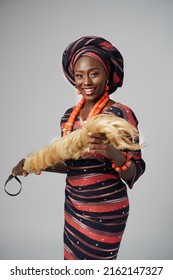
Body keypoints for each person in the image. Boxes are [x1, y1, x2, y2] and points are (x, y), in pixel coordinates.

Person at [12, 36, 146, 260]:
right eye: (79, 75)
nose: (86, 81)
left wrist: (111, 153)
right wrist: (34, 164)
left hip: (107, 210)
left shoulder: (120, 114)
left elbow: (135, 170)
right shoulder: (68, 117)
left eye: (94, 73)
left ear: (107, 75)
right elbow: (72, 164)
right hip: (74, 206)